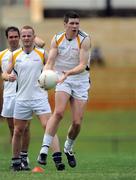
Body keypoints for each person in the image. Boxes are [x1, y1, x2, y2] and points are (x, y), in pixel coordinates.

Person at [2, 25, 65, 171]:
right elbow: (5, 73)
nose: (26, 38)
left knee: (48, 126)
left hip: (40, 98)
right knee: (18, 130)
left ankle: (57, 159)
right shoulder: (15, 55)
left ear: (33, 36)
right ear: (21, 38)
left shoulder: (42, 53)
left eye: (28, 35)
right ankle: (16, 162)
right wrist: (8, 76)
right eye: (23, 36)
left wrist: (54, 78)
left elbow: (52, 69)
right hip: (22, 99)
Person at [37, 11, 91, 168]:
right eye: (72, 23)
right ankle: (44, 150)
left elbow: (82, 65)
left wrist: (68, 73)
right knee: (59, 112)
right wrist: (46, 74)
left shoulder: (84, 39)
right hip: (61, 79)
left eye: (77, 23)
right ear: (65, 24)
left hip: (80, 79)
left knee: (77, 123)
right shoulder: (57, 38)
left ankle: (68, 147)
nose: (75, 26)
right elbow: (51, 61)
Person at [0, 26, 30, 170]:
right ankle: (16, 159)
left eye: (15, 36)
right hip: (9, 95)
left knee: (25, 128)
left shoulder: (25, 52)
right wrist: (7, 77)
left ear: (19, 37)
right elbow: (3, 74)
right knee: (13, 129)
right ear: (7, 38)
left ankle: (24, 158)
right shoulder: (2, 55)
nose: (13, 39)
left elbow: (41, 45)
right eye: (10, 37)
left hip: (23, 94)